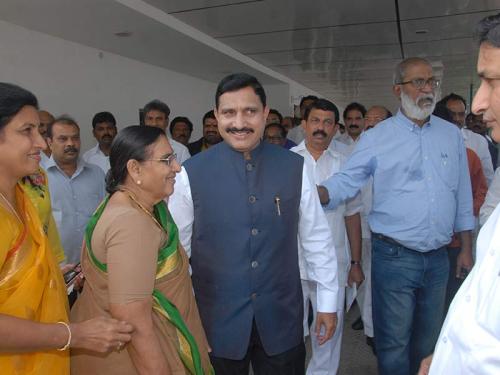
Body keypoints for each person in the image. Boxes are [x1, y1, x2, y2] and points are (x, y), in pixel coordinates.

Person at [169, 73, 338, 375]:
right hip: (215, 321)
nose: (239, 122)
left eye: (249, 111)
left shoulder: (293, 167)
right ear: (217, 115)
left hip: (281, 318)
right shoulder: (189, 174)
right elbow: (177, 252)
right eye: (229, 112)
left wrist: (327, 302)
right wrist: (181, 314)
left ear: (265, 113)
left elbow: (316, 238)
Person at [317, 57, 474, 375]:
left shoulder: (450, 135)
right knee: (393, 343)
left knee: (429, 343)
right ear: (397, 89)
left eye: (431, 82)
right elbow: (348, 180)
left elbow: (462, 194)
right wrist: (314, 194)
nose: (427, 89)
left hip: (438, 258)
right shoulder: (377, 137)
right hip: (394, 256)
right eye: (418, 82)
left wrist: (467, 248)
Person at [0, 82, 133, 374]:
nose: (42, 144)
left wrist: (47, 273)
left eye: (40, 131)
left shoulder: (24, 193)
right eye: (27, 131)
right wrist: (77, 334)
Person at [71, 125, 212, 374]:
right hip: (140, 358)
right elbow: (133, 321)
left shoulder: (134, 205)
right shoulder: (130, 222)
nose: (177, 168)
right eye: (166, 160)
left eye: (174, 159)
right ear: (135, 168)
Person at [418, 13, 500, 375]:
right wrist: (445, 354)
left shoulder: (472, 148)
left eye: (492, 82)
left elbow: (474, 193)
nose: (479, 105)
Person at [291, 98, 363, 374]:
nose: (321, 128)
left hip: (333, 266)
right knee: (289, 334)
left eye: (328, 122)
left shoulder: (347, 165)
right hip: (292, 264)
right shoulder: (287, 162)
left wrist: (356, 263)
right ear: (304, 124)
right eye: (315, 121)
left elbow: (352, 215)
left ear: (336, 128)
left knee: (327, 334)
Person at [45, 116, 106, 264]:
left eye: (75, 138)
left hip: (93, 264)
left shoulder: (96, 174)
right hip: (56, 266)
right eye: (63, 139)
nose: (70, 144)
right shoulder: (38, 178)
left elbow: (105, 214)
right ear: (49, 142)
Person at [441, 93, 494, 185]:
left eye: (461, 114)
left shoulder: (478, 141)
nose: (457, 118)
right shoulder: (432, 139)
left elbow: (488, 179)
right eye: (452, 114)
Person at [143, 99, 191, 164]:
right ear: (144, 121)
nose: (154, 123)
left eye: (159, 119)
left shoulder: (181, 150)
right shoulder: (134, 147)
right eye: (150, 119)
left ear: (166, 122)